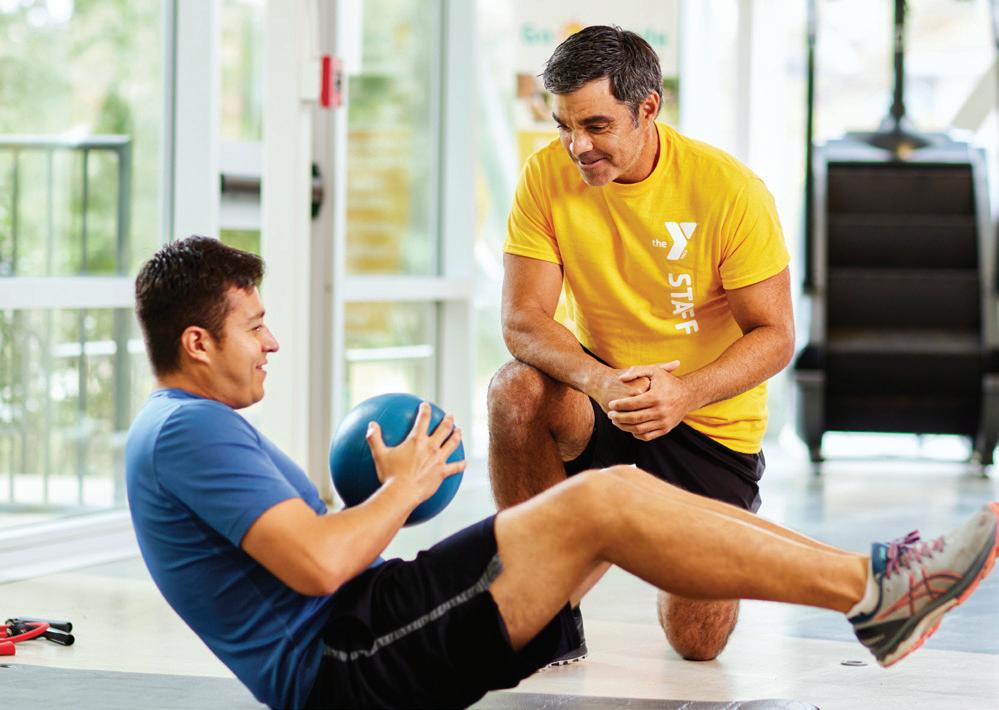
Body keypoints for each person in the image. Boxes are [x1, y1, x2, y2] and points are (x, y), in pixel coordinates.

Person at [126, 237, 998, 710]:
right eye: (254, 326)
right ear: (197, 342)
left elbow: (311, 551)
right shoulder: (185, 433)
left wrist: (390, 496)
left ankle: (877, 583)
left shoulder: (191, 428)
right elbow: (318, 564)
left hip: (367, 621)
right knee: (601, 502)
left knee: (620, 493)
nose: (272, 341)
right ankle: (877, 590)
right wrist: (403, 486)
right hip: (344, 662)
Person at [489, 25, 793, 663]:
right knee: (515, 389)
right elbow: (523, 320)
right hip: (606, 397)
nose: (577, 146)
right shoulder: (546, 175)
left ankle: (626, 533)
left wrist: (684, 393)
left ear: (648, 108)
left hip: (706, 420)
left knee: (698, 643)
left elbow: (775, 335)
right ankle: (547, 601)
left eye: (596, 126)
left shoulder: (728, 190)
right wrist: (599, 381)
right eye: (564, 126)